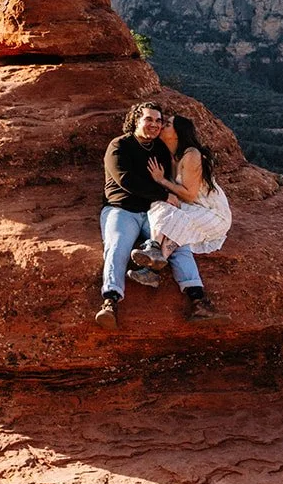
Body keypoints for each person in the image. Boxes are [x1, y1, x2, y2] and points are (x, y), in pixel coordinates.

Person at [129, 117, 230, 322]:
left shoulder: (191, 155)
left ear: (178, 133)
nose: (162, 126)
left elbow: (190, 195)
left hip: (212, 212)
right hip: (192, 209)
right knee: (160, 205)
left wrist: (162, 180)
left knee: (173, 216)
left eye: (167, 124)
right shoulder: (172, 155)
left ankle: (153, 264)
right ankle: (155, 257)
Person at [95, 101, 175, 329]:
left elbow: (168, 178)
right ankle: (110, 301)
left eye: (158, 121)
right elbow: (125, 180)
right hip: (121, 209)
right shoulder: (119, 145)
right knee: (117, 244)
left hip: (152, 211)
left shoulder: (160, 149)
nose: (154, 124)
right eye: (148, 119)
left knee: (178, 242)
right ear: (135, 121)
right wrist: (162, 194)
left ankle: (197, 297)